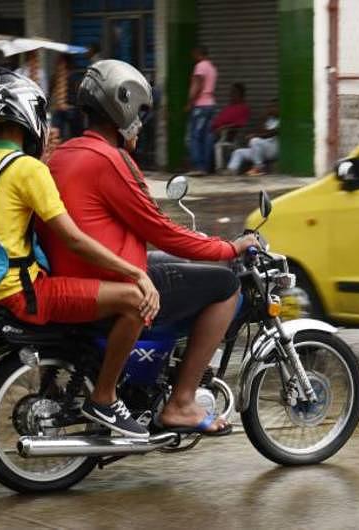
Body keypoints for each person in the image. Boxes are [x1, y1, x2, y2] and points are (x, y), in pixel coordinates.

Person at [40, 60, 259, 436]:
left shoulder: (62, 155)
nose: (139, 122)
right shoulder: (110, 160)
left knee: (179, 265)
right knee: (225, 285)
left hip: (80, 270)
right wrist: (229, 248)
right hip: (108, 278)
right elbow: (160, 229)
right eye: (139, 113)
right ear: (121, 106)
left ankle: (151, 375)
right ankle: (182, 402)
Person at [0, 68, 159, 439]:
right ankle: (105, 398)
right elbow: (74, 239)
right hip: (23, 293)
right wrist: (136, 273)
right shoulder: (27, 169)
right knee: (134, 301)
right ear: (26, 113)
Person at [186, 45, 218, 175]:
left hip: (201, 106)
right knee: (207, 137)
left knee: (194, 137)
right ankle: (205, 167)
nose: (193, 55)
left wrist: (190, 102)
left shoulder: (200, 66)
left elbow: (197, 85)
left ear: (198, 53)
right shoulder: (212, 67)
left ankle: (198, 167)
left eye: (194, 53)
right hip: (211, 105)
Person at [226, 99, 279, 176]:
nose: (271, 109)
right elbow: (261, 131)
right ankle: (231, 170)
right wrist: (263, 117)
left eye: (274, 107)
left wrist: (255, 136)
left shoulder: (284, 120)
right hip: (262, 150)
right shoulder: (270, 119)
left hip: (274, 149)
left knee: (254, 140)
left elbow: (271, 133)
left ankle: (259, 167)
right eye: (270, 107)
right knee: (238, 152)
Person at [210, 82, 250, 171]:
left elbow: (240, 124)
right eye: (231, 92)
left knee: (209, 141)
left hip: (228, 135)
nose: (231, 95)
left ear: (240, 94)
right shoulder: (229, 107)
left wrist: (224, 128)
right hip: (216, 132)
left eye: (234, 92)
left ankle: (216, 168)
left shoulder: (243, 108)